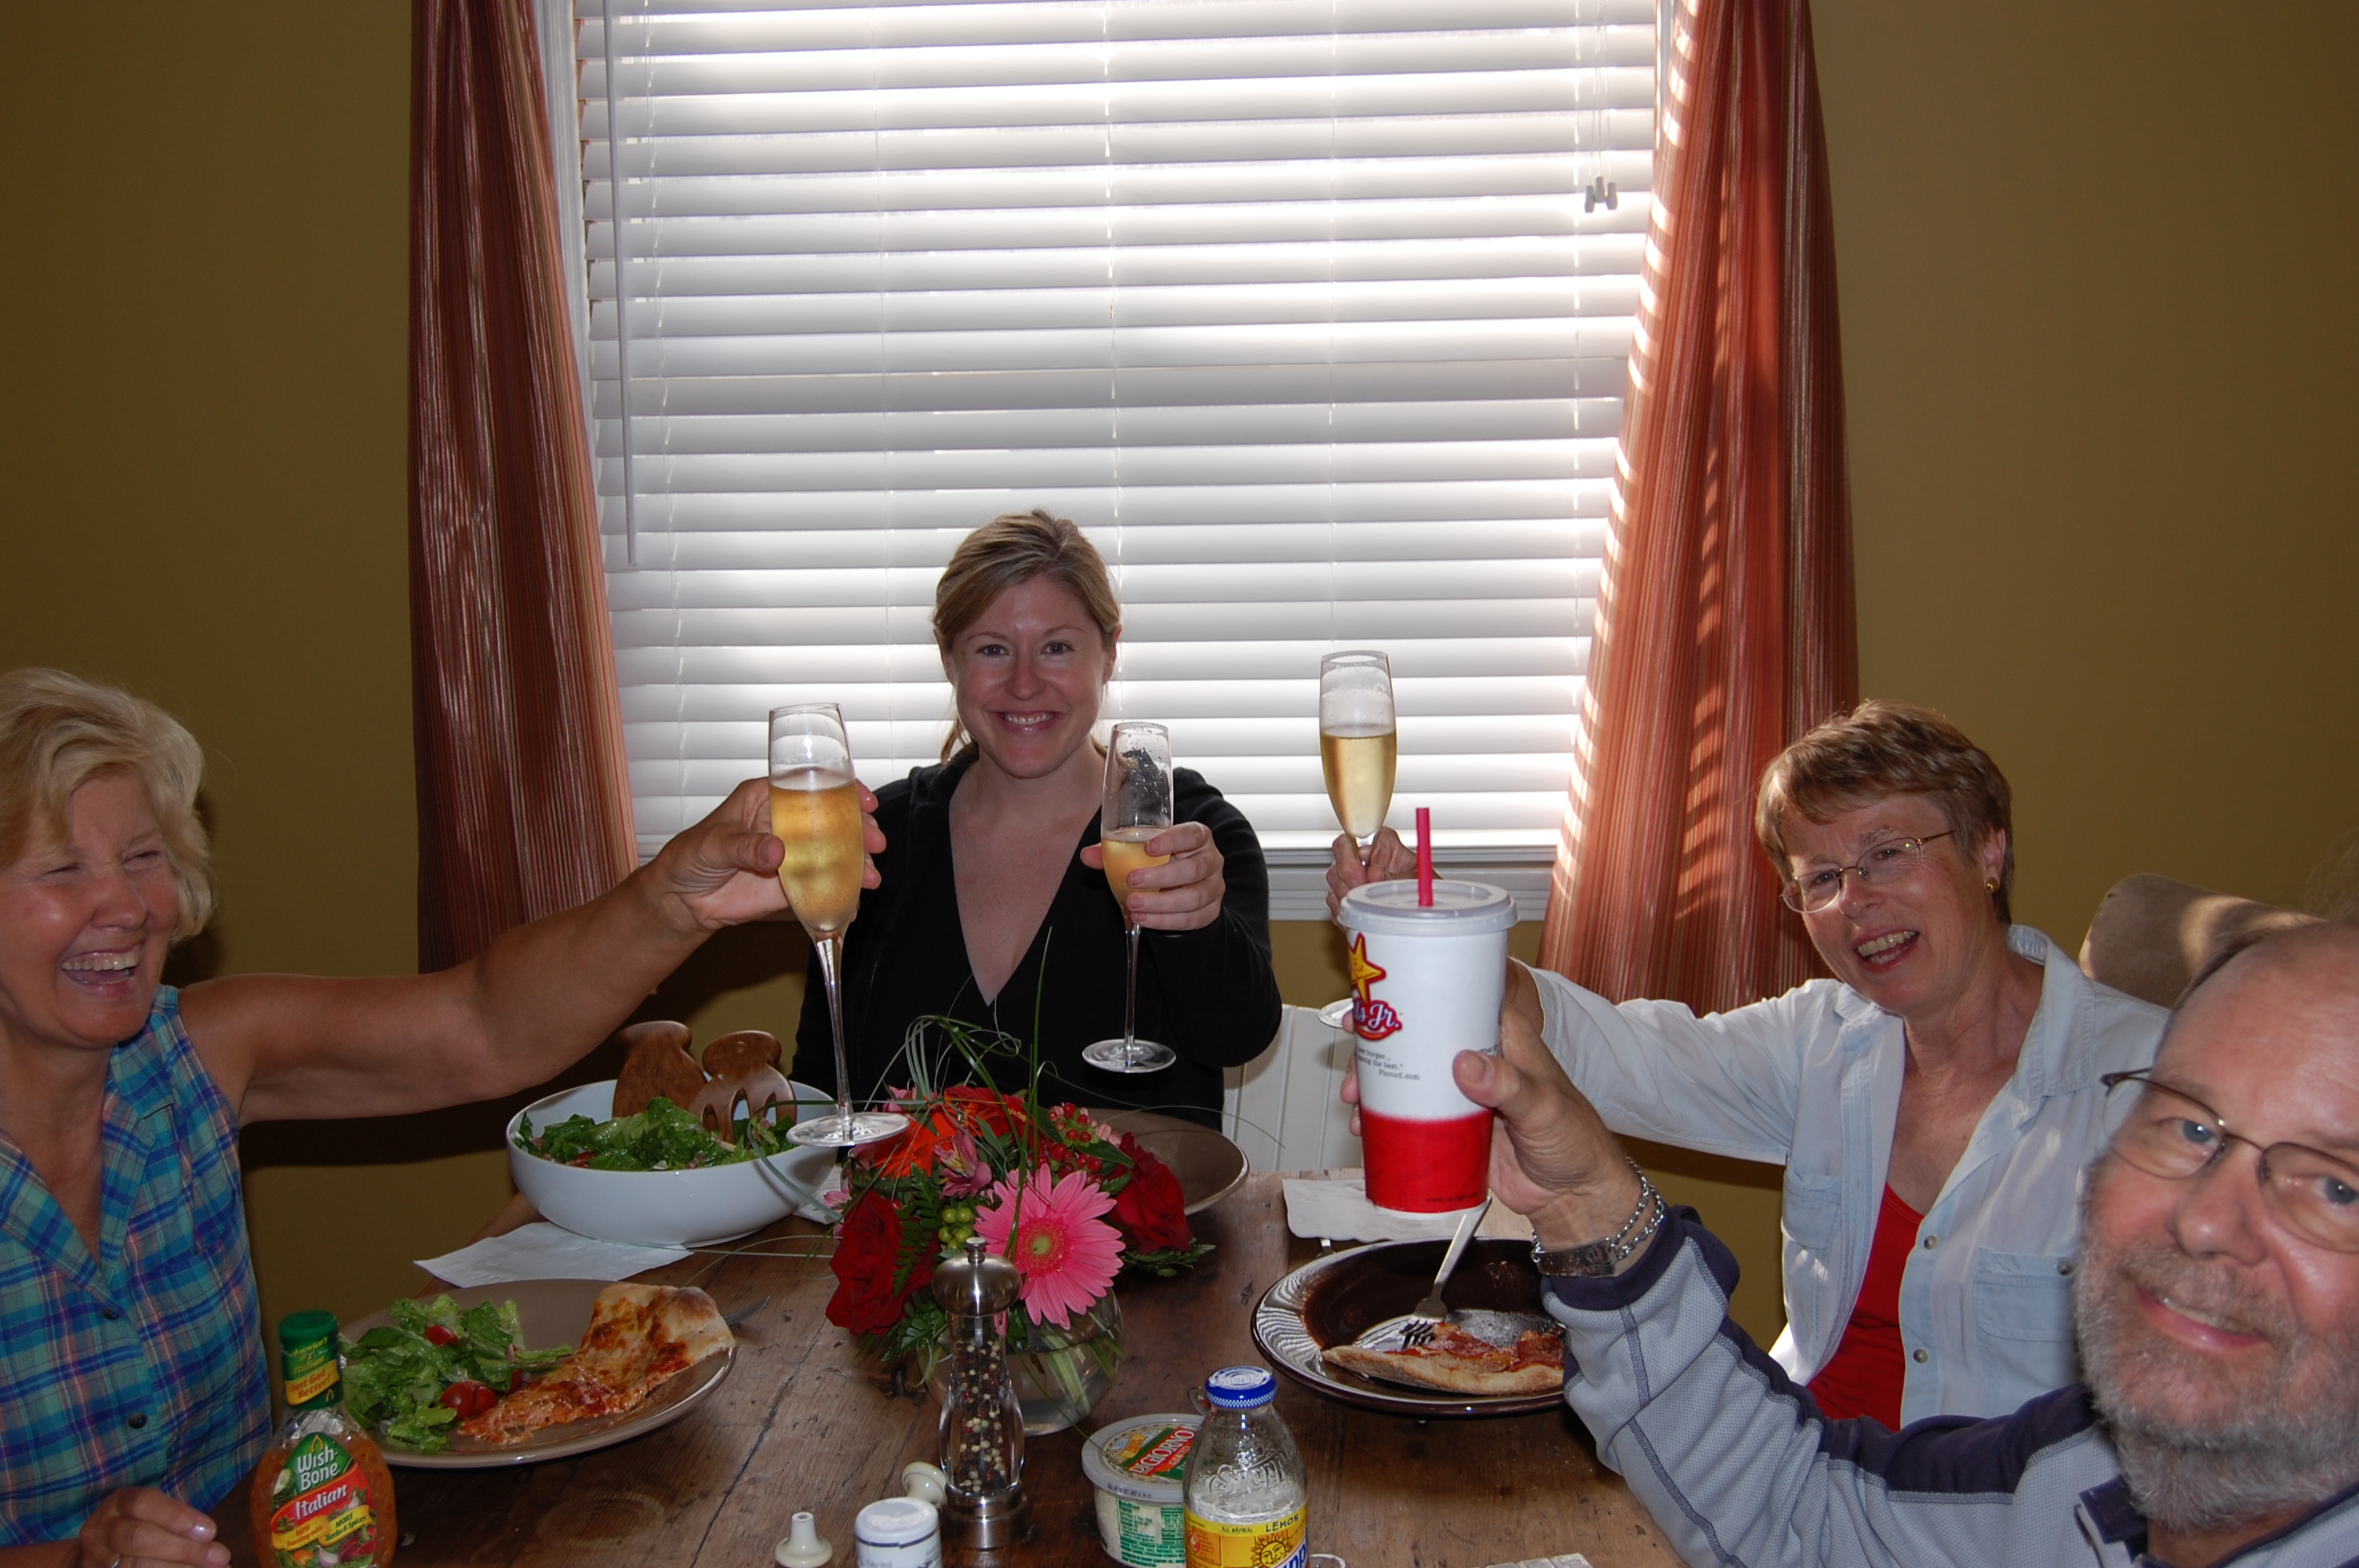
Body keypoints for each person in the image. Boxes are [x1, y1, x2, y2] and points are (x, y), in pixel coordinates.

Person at [0, 667, 884, 1568]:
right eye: (64, 869)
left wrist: (672, 900)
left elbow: (483, 1023)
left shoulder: (194, 1052)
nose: (126, 907)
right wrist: (75, 1557)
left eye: (142, 857)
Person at [1332, 701, 2166, 1425]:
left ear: (1988, 850)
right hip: (1795, 1481)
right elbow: (1618, 1052)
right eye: (1822, 877)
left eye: (1888, 852)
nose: (1855, 900)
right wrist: (1440, 946)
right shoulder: (1823, 1041)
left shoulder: (2152, 1086)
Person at [1467, 920, 2359, 1568]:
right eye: (2189, 1129)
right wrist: (1581, 1202)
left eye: (2335, 1186)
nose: (2204, 1221)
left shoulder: (2116, 1048)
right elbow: (1808, 1515)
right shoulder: (2075, 1470)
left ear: (1988, 850)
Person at [797, 510, 1281, 1127]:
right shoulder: (873, 838)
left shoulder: (1190, 836)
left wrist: (1198, 925)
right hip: (897, 1194)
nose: (1024, 684)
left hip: (1138, 1193)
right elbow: (820, 1082)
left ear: (1109, 653)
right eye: (992, 649)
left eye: (1057, 648)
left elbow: (1238, 1036)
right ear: (949, 660)